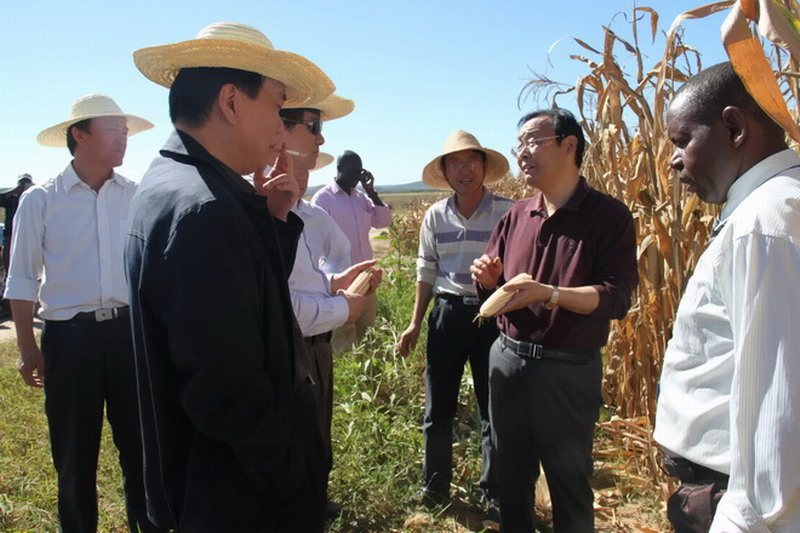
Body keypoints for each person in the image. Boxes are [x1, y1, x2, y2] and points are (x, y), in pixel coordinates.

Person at [127, 22, 335, 532]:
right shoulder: (205, 209)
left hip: (206, 484)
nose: (282, 130)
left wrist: (273, 220)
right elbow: (227, 386)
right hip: (236, 497)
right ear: (231, 102)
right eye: (277, 107)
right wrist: (292, 475)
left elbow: (240, 306)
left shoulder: (171, 183)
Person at [470, 108, 638, 532]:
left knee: (569, 484)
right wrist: (489, 282)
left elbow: (616, 297)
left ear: (569, 145)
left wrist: (552, 294)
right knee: (510, 479)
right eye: (519, 145)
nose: (522, 153)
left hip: (567, 370)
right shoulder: (516, 216)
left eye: (533, 141)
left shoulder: (609, 217)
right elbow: (498, 293)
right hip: (507, 360)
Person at [653, 62, 800, 532]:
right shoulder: (775, 206)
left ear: (734, 127)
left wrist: (741, 520)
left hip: (734, 500)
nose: (673, 160)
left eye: (682, 141)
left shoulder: (763, 223)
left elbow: (776, 405)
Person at [3, 93, 158, 533]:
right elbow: (22, 277)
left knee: (142, 452)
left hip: (128, 337)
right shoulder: (41, 200)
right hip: (70, 341)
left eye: (125, 132)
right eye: (113, 131)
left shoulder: (136, 196)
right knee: (73, 457)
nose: (123, 139)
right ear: (80, 134)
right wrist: (28, 348)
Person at [397, 130, 511, 516]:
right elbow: (426, 271)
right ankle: (434, 489)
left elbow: (520, 269)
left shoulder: (508, 212)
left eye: (471, 162)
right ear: (445, 172)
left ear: (484, 166)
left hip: (493, 315)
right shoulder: (435, 216)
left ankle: (495, 494)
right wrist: (415, 323)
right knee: (438, 406)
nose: (464, 170)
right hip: (447, 314)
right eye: (455, 164)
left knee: (494, 406)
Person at [280, 94, 382, 518]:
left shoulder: (310, 215)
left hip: (315, 338)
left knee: (316, 428)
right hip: (290, 344)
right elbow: (280, 303)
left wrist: (336, 282)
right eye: (297, 166)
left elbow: (313, 274)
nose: (302, 176)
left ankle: (314, 501)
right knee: (291, 434)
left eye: (307, 169)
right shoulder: (265, 216)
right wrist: (343, 308)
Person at [311, 150, 392, 347]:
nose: (356, 177)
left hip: (365, 278)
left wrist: (371, 191)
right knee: (342, 337)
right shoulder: (323, 199)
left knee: (366, 331)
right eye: (352, 171)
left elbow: (383, 221)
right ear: (339, 169)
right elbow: (315, 241)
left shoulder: (361, 198)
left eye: (359, 172)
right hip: (340, 279)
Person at [0, 174, 34, 318]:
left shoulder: (34, 197)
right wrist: (13, 191)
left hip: (29, 239)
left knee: (29, 273)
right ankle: (8, 306)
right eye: (21, 183)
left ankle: (29, 307)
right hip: (11, 238)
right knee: (10, 272)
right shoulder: (11, 198)